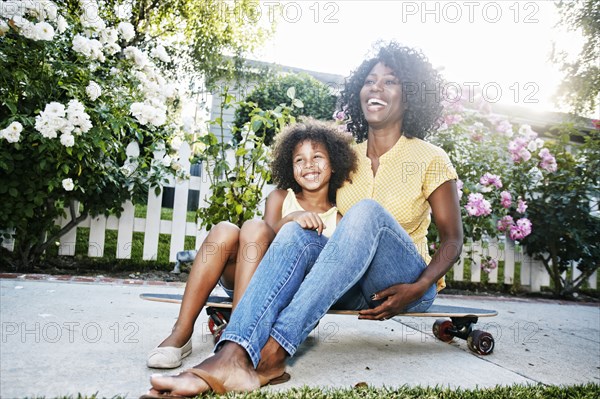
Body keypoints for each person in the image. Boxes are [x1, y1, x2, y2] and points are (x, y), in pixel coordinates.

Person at [143, 41, 463, 397]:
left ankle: (272, 354)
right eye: (370, 80)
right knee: (296, 233)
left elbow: (452, 238)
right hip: (348, 284)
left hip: (403, 283)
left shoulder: (429, 157)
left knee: (366, 211)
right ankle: (232, 356)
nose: (376, 87)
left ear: (410, 95)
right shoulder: (346, 158)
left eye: (390, 81)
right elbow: (319, 216)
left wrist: (421, 286)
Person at [146, 119, 358, 369]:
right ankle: (181, 333)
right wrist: (291, 218)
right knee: (229, 229)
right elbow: (264, 242)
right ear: (289, 168)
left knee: (255, 228)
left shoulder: (338, 217)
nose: (309, 165)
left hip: (283, 293)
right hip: (249, 276)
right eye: (299, 160)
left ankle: (236, 335)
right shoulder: (280, 198)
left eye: (318, 157)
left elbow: (325, 274)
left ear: (334, 164)